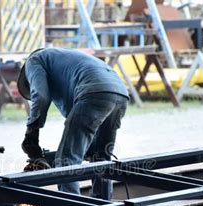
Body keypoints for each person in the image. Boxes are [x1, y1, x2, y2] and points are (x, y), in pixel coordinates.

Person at [17, 47, 129, 197]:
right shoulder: (63, 61)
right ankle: (103, 204)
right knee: (101, 157)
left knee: (66, 162)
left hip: (93, 90)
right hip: (120, 93)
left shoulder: (34, 60)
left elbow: (41, 96)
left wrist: (31, 133)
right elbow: (81, 119)